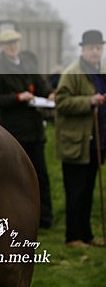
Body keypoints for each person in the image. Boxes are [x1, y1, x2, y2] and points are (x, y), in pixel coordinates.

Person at [0, 28, 53, 228]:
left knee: (41, 175)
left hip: (35, 130)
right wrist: (17, 98)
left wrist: (49, 94)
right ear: (2, 47)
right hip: (15, 131)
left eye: (15, 43)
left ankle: (45, 217)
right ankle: (17, 216)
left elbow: (41, 85)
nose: (13, 47)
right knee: (17, 177)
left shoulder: (29, 64)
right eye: (8, 44)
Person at [54, 29, 106, 249]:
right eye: (91, 48)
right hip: (76, 143)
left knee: (88, 192)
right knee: (76, 191)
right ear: (83, 49)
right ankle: (73, 237)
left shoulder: (99, 71)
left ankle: (87, 235)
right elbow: (62, 101)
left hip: (95, 142)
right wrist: (89, 101)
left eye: (99, 48)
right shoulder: (72, 72)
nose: (95, 52)